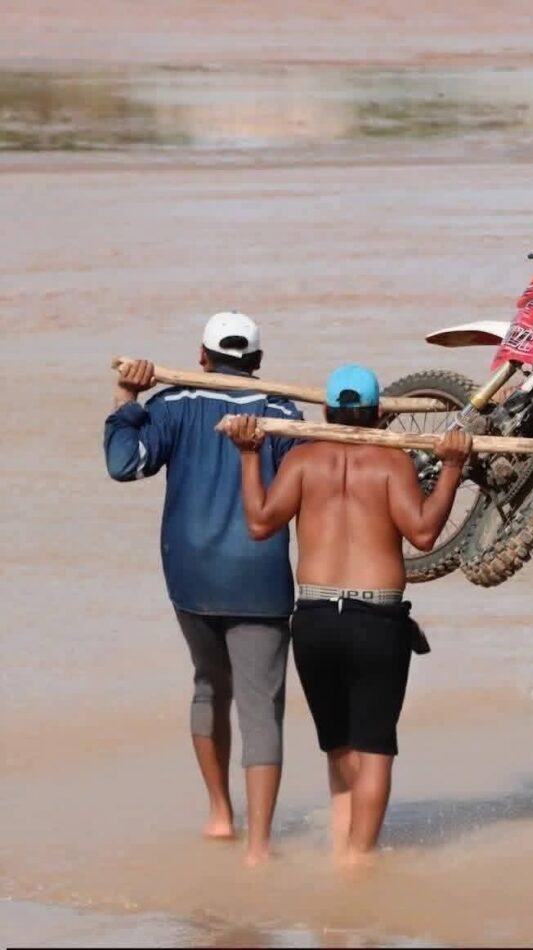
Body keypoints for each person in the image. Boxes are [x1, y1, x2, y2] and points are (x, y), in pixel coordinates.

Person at [221, 364, 472, 869]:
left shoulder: (301, 459)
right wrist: (451, 468)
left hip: (314, 618)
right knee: (375, 746)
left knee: (338, 745)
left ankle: (341, 851)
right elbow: (424, 533)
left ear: (326, 412)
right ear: (378, 413)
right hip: (374, 619)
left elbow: (260, 523)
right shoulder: (392, 462)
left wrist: (249, 456)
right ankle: (359, 859)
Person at [103, 311, 302, 866]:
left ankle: (219, 815)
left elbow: (123, 463)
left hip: (190, 576)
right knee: (260, 707)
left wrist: (127, 399)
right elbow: (310, 492)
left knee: (209, 686)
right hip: (260, 577)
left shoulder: (170, 404)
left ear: (201, 356)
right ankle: (258, 847)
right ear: (257, 361)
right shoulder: (284, 413)